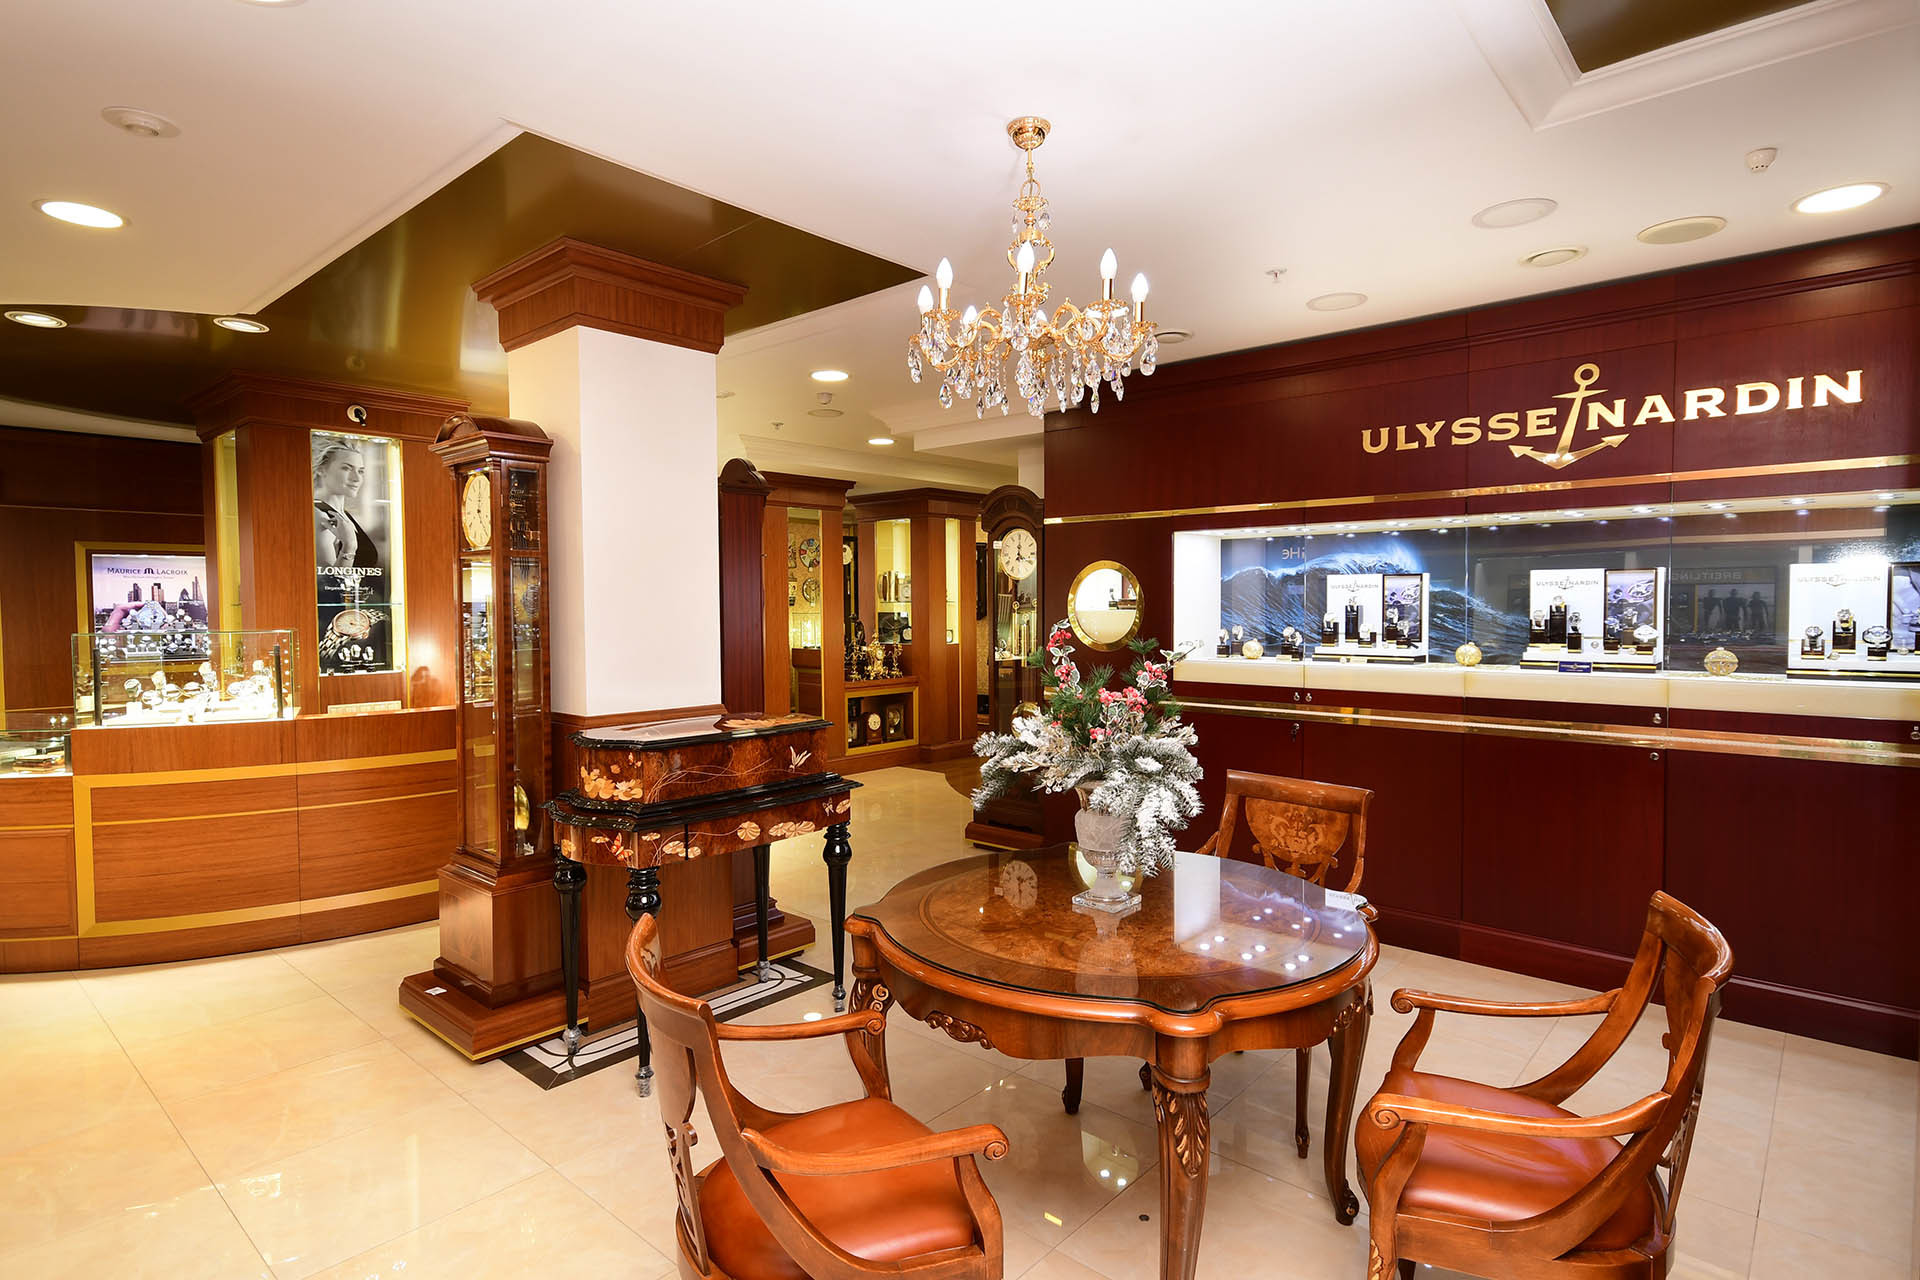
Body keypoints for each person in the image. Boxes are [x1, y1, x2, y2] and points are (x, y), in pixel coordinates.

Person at [312, 441, 379, 577]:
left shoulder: (342, 514)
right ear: (321, 469)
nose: (357, 478)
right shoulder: (320, 517)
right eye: (346, 468)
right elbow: (330, 584)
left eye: (360, 471)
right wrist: (349, 546)